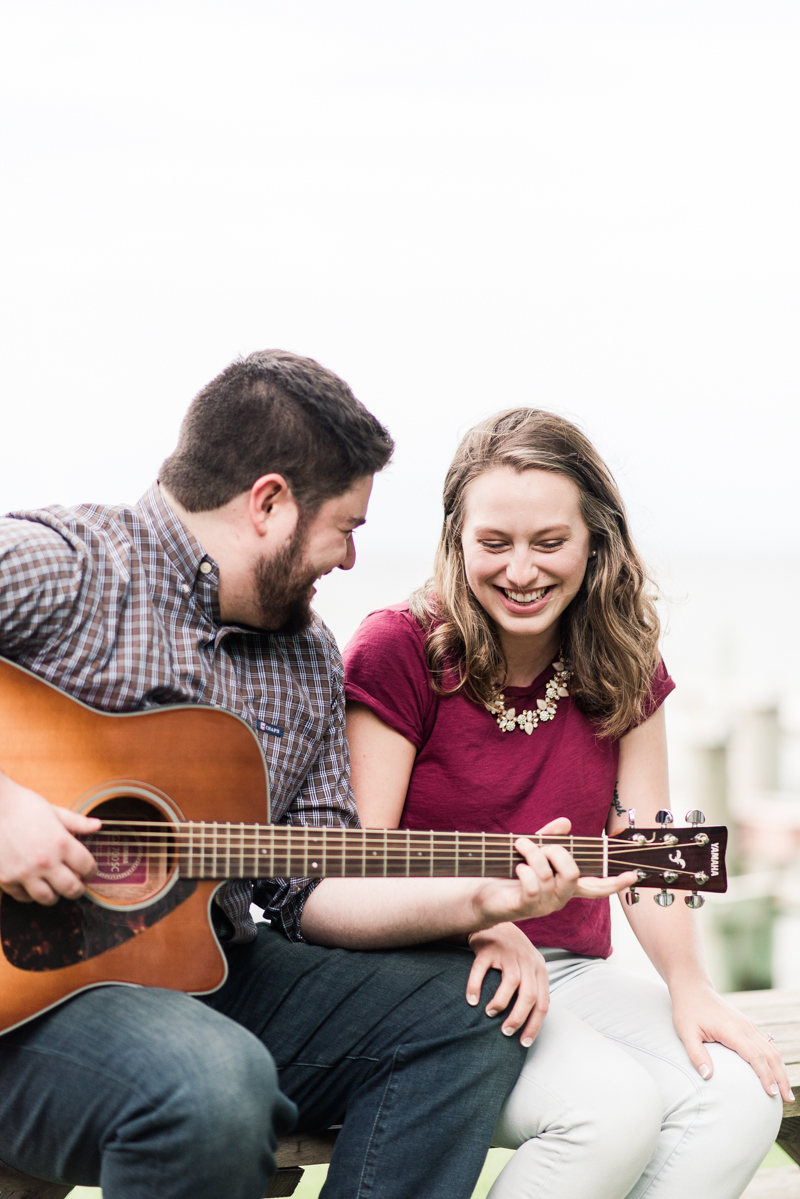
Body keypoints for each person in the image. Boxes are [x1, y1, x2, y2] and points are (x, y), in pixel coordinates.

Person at [0, 354, 633, 1199]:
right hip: (28, 1006)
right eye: (345, 525)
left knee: (470, 1010)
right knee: (212, 1083)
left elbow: (315, 884)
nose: (349, 555)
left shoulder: (305, 657)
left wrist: (486, 901)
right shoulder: (68, 566)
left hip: (207, 970)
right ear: (269, 504)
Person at [343, 407, 792, 1199]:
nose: (521, 570)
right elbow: (358, 864)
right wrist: (483, 915)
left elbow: (649, 843)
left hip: (575, 970)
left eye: (549, 542)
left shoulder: (621, 654)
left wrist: (689, 981)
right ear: (456, 541)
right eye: (494, 543)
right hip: (435, 973)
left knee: (739, 1092)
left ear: (596, 540)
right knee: (610, 1112)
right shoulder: (398, 650)